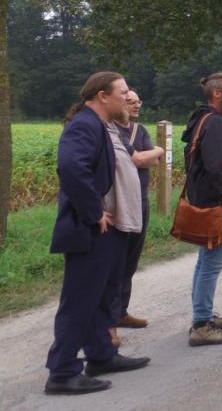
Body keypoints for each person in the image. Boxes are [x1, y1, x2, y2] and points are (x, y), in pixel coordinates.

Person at [45, 72, 150, 395]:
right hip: (90, 229)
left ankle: (101, 355)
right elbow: (72, 168)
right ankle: (62, 372)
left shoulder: (104, 126)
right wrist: (93, 212)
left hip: (112, 227)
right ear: (102, 96)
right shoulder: (84, 125)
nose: (127, 97)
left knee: (105, 294)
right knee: (80, 299)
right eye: (122, 92)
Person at [181, 72, 222, 347]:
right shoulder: (215, 123)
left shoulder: (202, 119)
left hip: (207, 202)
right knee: (210, 265)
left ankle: (203, 314)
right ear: (217, 94)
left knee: (204, 262)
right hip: (217, 207)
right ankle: (201, 324)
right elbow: (215, 167)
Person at [112, 90, 165, 336]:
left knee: (131, 260)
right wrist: (156, 151)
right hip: (120, 203)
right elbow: (138, 160)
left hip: (140, 200)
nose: (135, 105)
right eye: (130, 101)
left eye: (138, 101)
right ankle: (109, 318)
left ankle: (121, 311)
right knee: (115, 260)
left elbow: (150, 162)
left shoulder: (139, 130)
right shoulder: (111, 130)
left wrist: (150, 155)